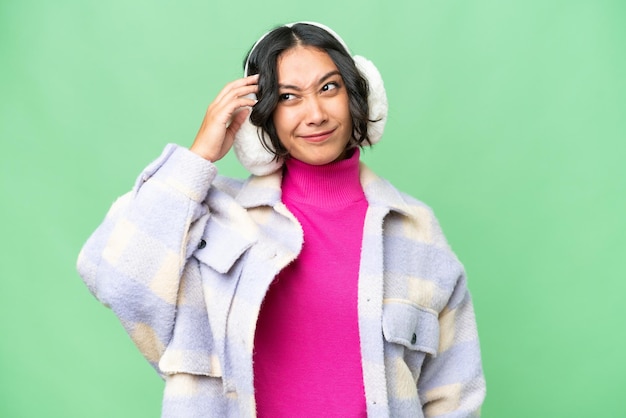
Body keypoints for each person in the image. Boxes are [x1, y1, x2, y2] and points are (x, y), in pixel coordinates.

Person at [77, 21, 485, 418]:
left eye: (329, 88)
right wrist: (197, 157)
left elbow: (454, 394)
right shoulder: (215, 215)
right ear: (263, 117)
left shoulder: (416, 229)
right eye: (289, 97)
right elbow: (119, 278)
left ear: (360, 94)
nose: (315, 114)